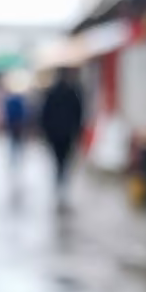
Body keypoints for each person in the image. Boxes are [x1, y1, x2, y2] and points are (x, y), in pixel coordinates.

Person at [40, 67, 85, 210]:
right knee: (65, 162)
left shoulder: (52, 93)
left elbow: (44, 115)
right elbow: (78, 114)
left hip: (55, 134)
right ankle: (63, 189)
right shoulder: (72, 92)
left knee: (58, 162)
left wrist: (47, 132)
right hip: (67, 134)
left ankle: (59, 187)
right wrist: (77, 131)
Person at [2, 82, 29, 165]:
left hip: (13, 123)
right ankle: (17, 155)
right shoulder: (18, 100)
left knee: (14, 140)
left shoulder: (11, 100)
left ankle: (15, 155)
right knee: (16, 140)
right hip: (17, 123)